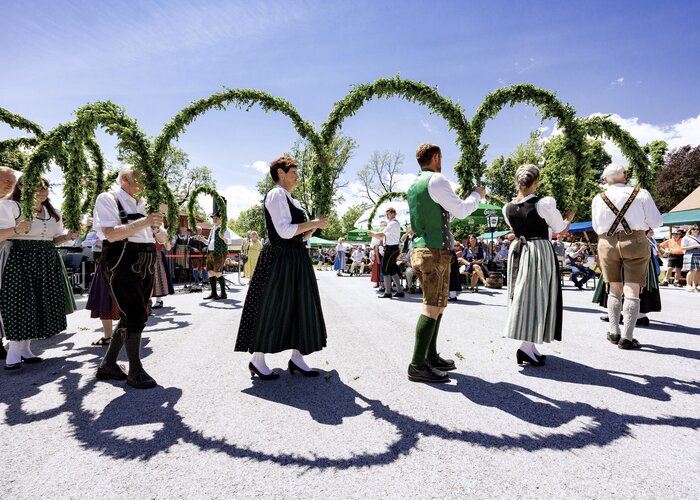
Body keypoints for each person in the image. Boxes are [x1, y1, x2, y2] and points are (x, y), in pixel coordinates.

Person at [235, 157, 328, 379]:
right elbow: (284, 231)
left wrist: (313, 228)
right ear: (280, 173)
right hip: (279, 258)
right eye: (293, 172)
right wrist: (313, 223)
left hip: (295, 257)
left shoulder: (290, 199)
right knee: (271, 305)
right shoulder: (276, 194)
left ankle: (297, 358)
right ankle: (257, 360)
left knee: (300, 305)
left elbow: (299, 235)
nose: (297, 176)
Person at [406, 143, 484, 382]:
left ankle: (430, 356)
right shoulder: (437, 180)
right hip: (434, 250)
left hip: (421, 248)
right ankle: (417, 365)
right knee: (431, 307)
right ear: (436, 157)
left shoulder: (413, 185)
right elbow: (460, 211)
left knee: (437, 305)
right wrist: (476, 196)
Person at [92, 167, 168, 388]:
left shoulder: (145, 202)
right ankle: (135, 370)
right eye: (140, 177)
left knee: (130, 315)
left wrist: (158, 224)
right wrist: (145, 221)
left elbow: (162, 237)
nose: (144, 182)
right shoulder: (108, 198)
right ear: (125, 178)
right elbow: (111, 234)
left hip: (145, 259)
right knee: (135, 314)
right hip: (121, 260)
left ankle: (108, 364)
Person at [0, 177, 79, 370]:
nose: (42, 191)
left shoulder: (53, 212)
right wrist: (17, 229)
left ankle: (25, 350)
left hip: (46, 259)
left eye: (45, 187)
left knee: (39, 303)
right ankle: (13, 352)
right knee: (20, 302)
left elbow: (54, 240)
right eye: (37, 188)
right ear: (21, 187)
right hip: (20, 257)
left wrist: (68, 236)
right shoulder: (10, 206)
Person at [503, 164, 573, 366]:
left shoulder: (507, 207)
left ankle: (530, 347)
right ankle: (525, 348)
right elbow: (558, 228)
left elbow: (516, 228)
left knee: (526, 297)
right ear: (536, 182)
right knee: (539, 297)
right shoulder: (544, 203)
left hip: (519, 252)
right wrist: (568, 219)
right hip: (539, 252)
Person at [592, 163, 663, 350]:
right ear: (625, 175)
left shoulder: (598, 198)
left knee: (614, 288)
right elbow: (657, 221)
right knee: (632, 289)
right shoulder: (641, 193)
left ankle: (614, 331)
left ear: (606, 179)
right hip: (635, 241)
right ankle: (627, 337)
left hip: (607, 243)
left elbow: (596, 226)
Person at [368, 208, 404, 298]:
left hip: (391, 249)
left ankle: (388, 292)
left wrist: (373, 233)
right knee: (392, 270)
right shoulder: (394, 223)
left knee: (385, 270)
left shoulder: (393, 223)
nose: (387, 216)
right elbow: (382, 237)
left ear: (393, 213)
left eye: (388, 214)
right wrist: (374, 235)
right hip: (392, 248)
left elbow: (382, 234)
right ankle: (399, 291)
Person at [203, 212, 231, 300]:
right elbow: (209, 242)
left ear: (221, 219)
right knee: (210, 272)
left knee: (217, 272)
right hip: (210, 252)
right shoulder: (212, 229)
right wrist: (202, 239)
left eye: (216, 218)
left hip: (220, 253)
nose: (214, 220)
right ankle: (213, 293)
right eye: (213, 218)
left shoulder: (224, 229)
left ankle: (223, 293)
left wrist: (223, 238)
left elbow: (229, 241)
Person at [681, 225, 700, 292]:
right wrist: (695, 246)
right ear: (690, 230)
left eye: (697, 229)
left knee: (698, 271)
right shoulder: (686, 238)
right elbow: (683, 248)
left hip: (699, 254)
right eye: (694, 229)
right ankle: (688, 285)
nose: (696, 230)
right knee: (692, 270)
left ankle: (695, 286)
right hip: (690, 254)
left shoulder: (699, 237)